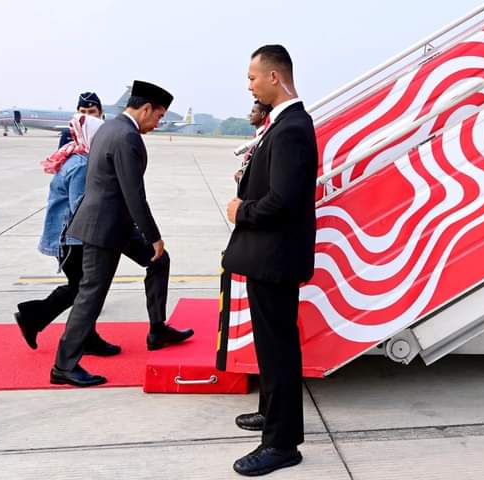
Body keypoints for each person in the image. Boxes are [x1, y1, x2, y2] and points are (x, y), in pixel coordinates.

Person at [50, 80, 194, 388]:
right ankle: (64, 364)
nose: (158, 123)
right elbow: (134, 193)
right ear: (146, 109)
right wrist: (153, 235)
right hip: (103, 227)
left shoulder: (110, 127)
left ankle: (157, 329)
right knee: (92, 293)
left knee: (159, 261)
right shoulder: (127, 136)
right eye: (159, 116)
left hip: (117, 223)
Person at [223, 45, 318, 476]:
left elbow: (284, 200)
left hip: (275, 257)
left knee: (278, 349)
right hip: (269, 256)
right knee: (270, 345)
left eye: (253, 77)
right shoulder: (281, 124)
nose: (249, 85)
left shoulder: (292, 127)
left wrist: (240, 211)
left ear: (274, 77)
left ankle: (282, 444)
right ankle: (270, 412)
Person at [14, 96, 119, 357]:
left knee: (84, 287)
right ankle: (35, 316)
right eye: (83, 112)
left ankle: (73, 331)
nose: (87, 118)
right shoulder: (82, 161)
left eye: (92, 112)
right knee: (85, 288)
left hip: (71, 235)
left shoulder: (78, 153)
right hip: (73, 236)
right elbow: (81, 205)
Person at [234, 100, 272, 184]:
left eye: (253, 112)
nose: (249, 115)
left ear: (263, 114)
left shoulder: (265, 137)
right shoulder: (257, 136)